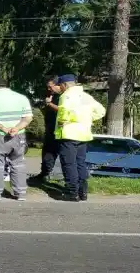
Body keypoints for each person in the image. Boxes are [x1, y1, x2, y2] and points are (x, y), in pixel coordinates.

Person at [55, 74, 106, 202]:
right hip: (83, 135)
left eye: (60, 85)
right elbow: (101, 111)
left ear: (65, 85)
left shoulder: (66, 96)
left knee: (69, 164)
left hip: (69, 134)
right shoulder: (86, 97)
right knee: (80, 163)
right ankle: (83, 192)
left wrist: (65, 121)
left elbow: (63, 113)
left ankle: (72, 193)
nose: (60, 88)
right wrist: (87, 119)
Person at [0, 78, 33, 201]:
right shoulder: (21, 97)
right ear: (9, 86)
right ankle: (20, 193)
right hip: (18, 135)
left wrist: (3, 128)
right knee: (18, 163)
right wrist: (16, 128)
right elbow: (28, 117)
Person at [34, 76, 62, 182]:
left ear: (58, 84)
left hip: (60, 128)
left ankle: (58, 175)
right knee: (47, 151)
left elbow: (63, 110)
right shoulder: (51, 95)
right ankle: (45, 173)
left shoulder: (64, 96)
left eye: (50, 87)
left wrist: (49, 104)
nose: (49, 89)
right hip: (50, 127)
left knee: (60, 152)